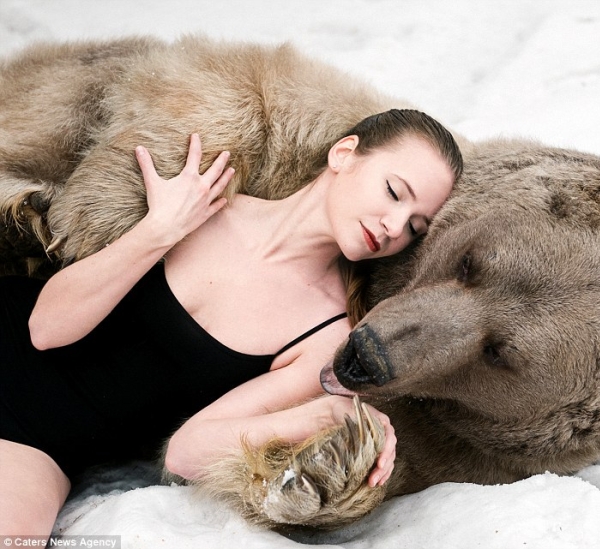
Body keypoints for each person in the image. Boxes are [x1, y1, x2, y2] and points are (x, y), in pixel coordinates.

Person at [0, 109, 463, 535]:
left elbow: (185, 453)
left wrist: (322, 413)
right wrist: (160, 229)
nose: (395, 225)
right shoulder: (203, 201)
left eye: (416, 227)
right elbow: (46, 328)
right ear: (344, 154)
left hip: (40, 445)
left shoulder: (327, 335)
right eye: (393, 192)